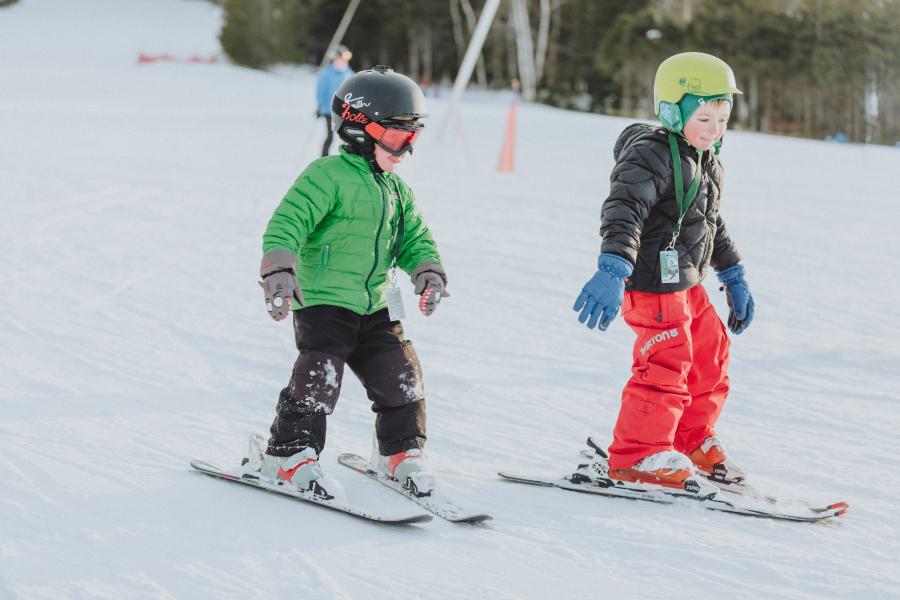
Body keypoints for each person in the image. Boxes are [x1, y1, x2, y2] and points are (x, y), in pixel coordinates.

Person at [257, 66, 448, 499]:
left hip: (376, 305)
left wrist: (427, 269)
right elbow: (287, 223)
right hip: (324, 302)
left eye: (414, 137)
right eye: (400, 137)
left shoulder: (398, 191)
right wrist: (279, 270)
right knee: (318, 377)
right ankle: (289, 455)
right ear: (361, 129)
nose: (407, 149)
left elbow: (414, 238)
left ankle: (401, 453)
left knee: (402, 376)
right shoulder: (325, 176)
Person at [573, 52, 754, 493]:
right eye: (705, 119)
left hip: (686, 280)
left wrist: (732, 273)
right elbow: (624, 209)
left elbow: (710, 222)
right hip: (651, 283)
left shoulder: (705, 159)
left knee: (711, 352)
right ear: (672, 111)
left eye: (723, 119)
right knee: (667, 359)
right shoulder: (649, 157)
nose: (715, 130)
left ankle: (690, 439)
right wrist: (613, 267)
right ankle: (637, 454)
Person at [316, 45, 354, 157]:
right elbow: (321, 92)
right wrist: (320, 106)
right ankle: (323, 157)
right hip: (330, 111)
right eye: (338, 59)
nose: (341, 62)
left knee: (348, 137)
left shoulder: (349, 74)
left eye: (343, 60)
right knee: (330, 137)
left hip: (346, 112)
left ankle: (348, 158)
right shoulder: (326, 74)